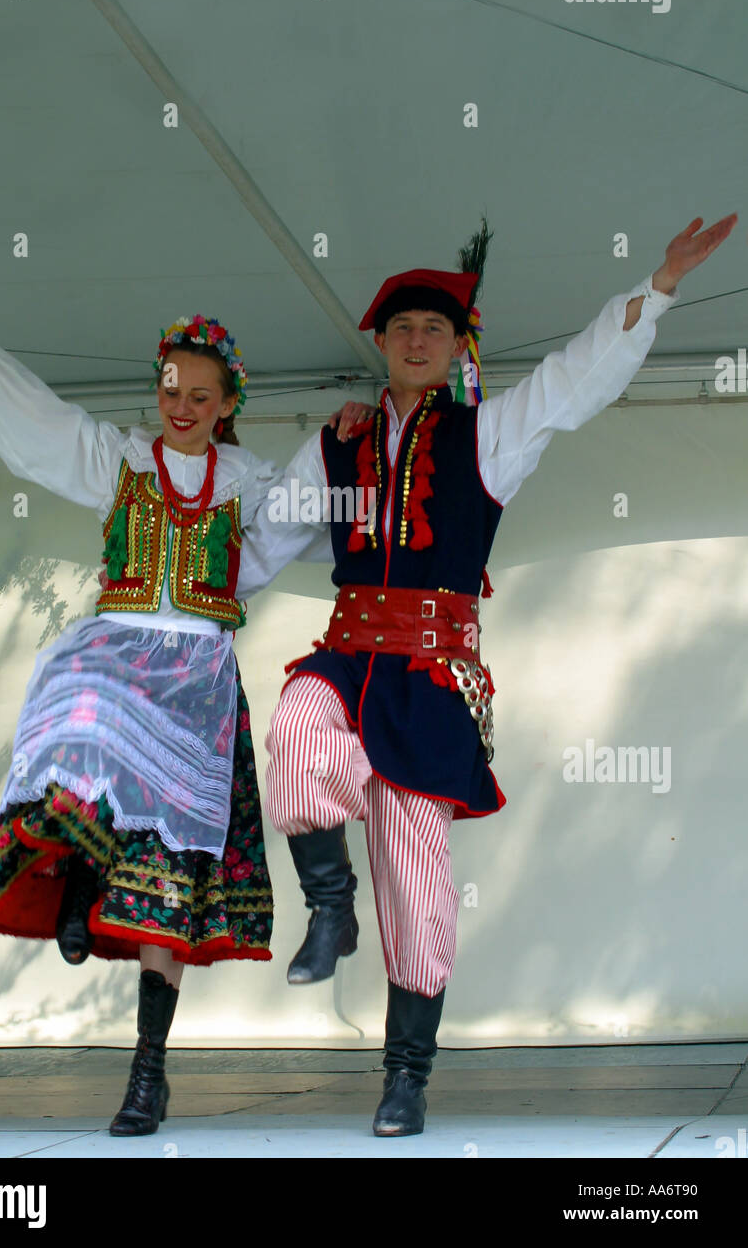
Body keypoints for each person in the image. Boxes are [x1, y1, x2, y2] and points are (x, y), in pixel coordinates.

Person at [239, 211, 738, 1138]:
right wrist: (174, 606)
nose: (417, 340)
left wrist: (655, 288)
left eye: (434, 329)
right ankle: (329, 908)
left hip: (431, 675)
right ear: (381, 347)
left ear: (457, 345)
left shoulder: (488, 435)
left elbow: (574, 380)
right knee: (297, 740)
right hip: (347, 657)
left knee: (416, 875)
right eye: (401, 330)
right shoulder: (336, 445)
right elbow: (262, 543)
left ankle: (406, 1075)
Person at [0, 271, 365, 1136]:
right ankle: (79, 874)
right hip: (116, 649)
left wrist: (348, 441)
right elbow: (34, 419)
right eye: (169, 389)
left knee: (169, 877)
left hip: (196, 674)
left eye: (199, 395)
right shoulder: (118, 457)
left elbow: (316, 507)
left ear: (227, 404)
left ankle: (147, 1072)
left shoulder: (246, 482)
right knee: (76, 714)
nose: (179, 406)